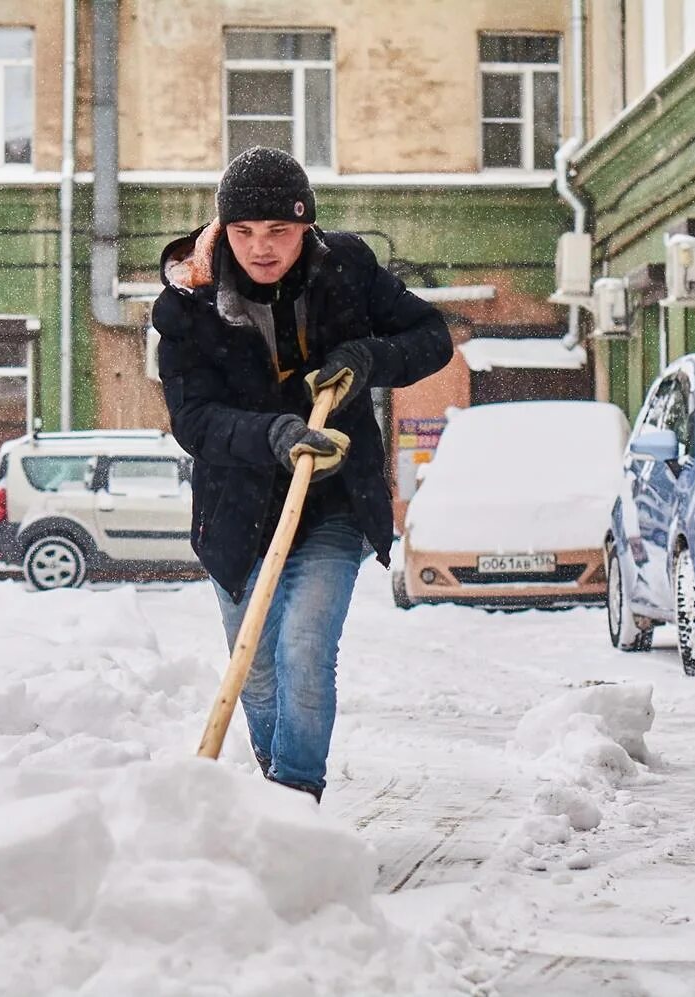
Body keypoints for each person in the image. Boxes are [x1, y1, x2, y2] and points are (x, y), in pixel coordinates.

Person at [151, 147, 453, 801]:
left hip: (335, 500)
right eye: (245, 232)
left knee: (305, 649)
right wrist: (274, 434)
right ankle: (272, 786)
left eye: (280, 231)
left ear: (306, 227)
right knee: (255, 670)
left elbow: (433, 336)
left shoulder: (345, 269)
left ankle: (294, 798)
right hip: (236, 507)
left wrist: (367, 357)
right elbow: (194, 421)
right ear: (223, 230)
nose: (263, 248)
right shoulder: (189, 305)